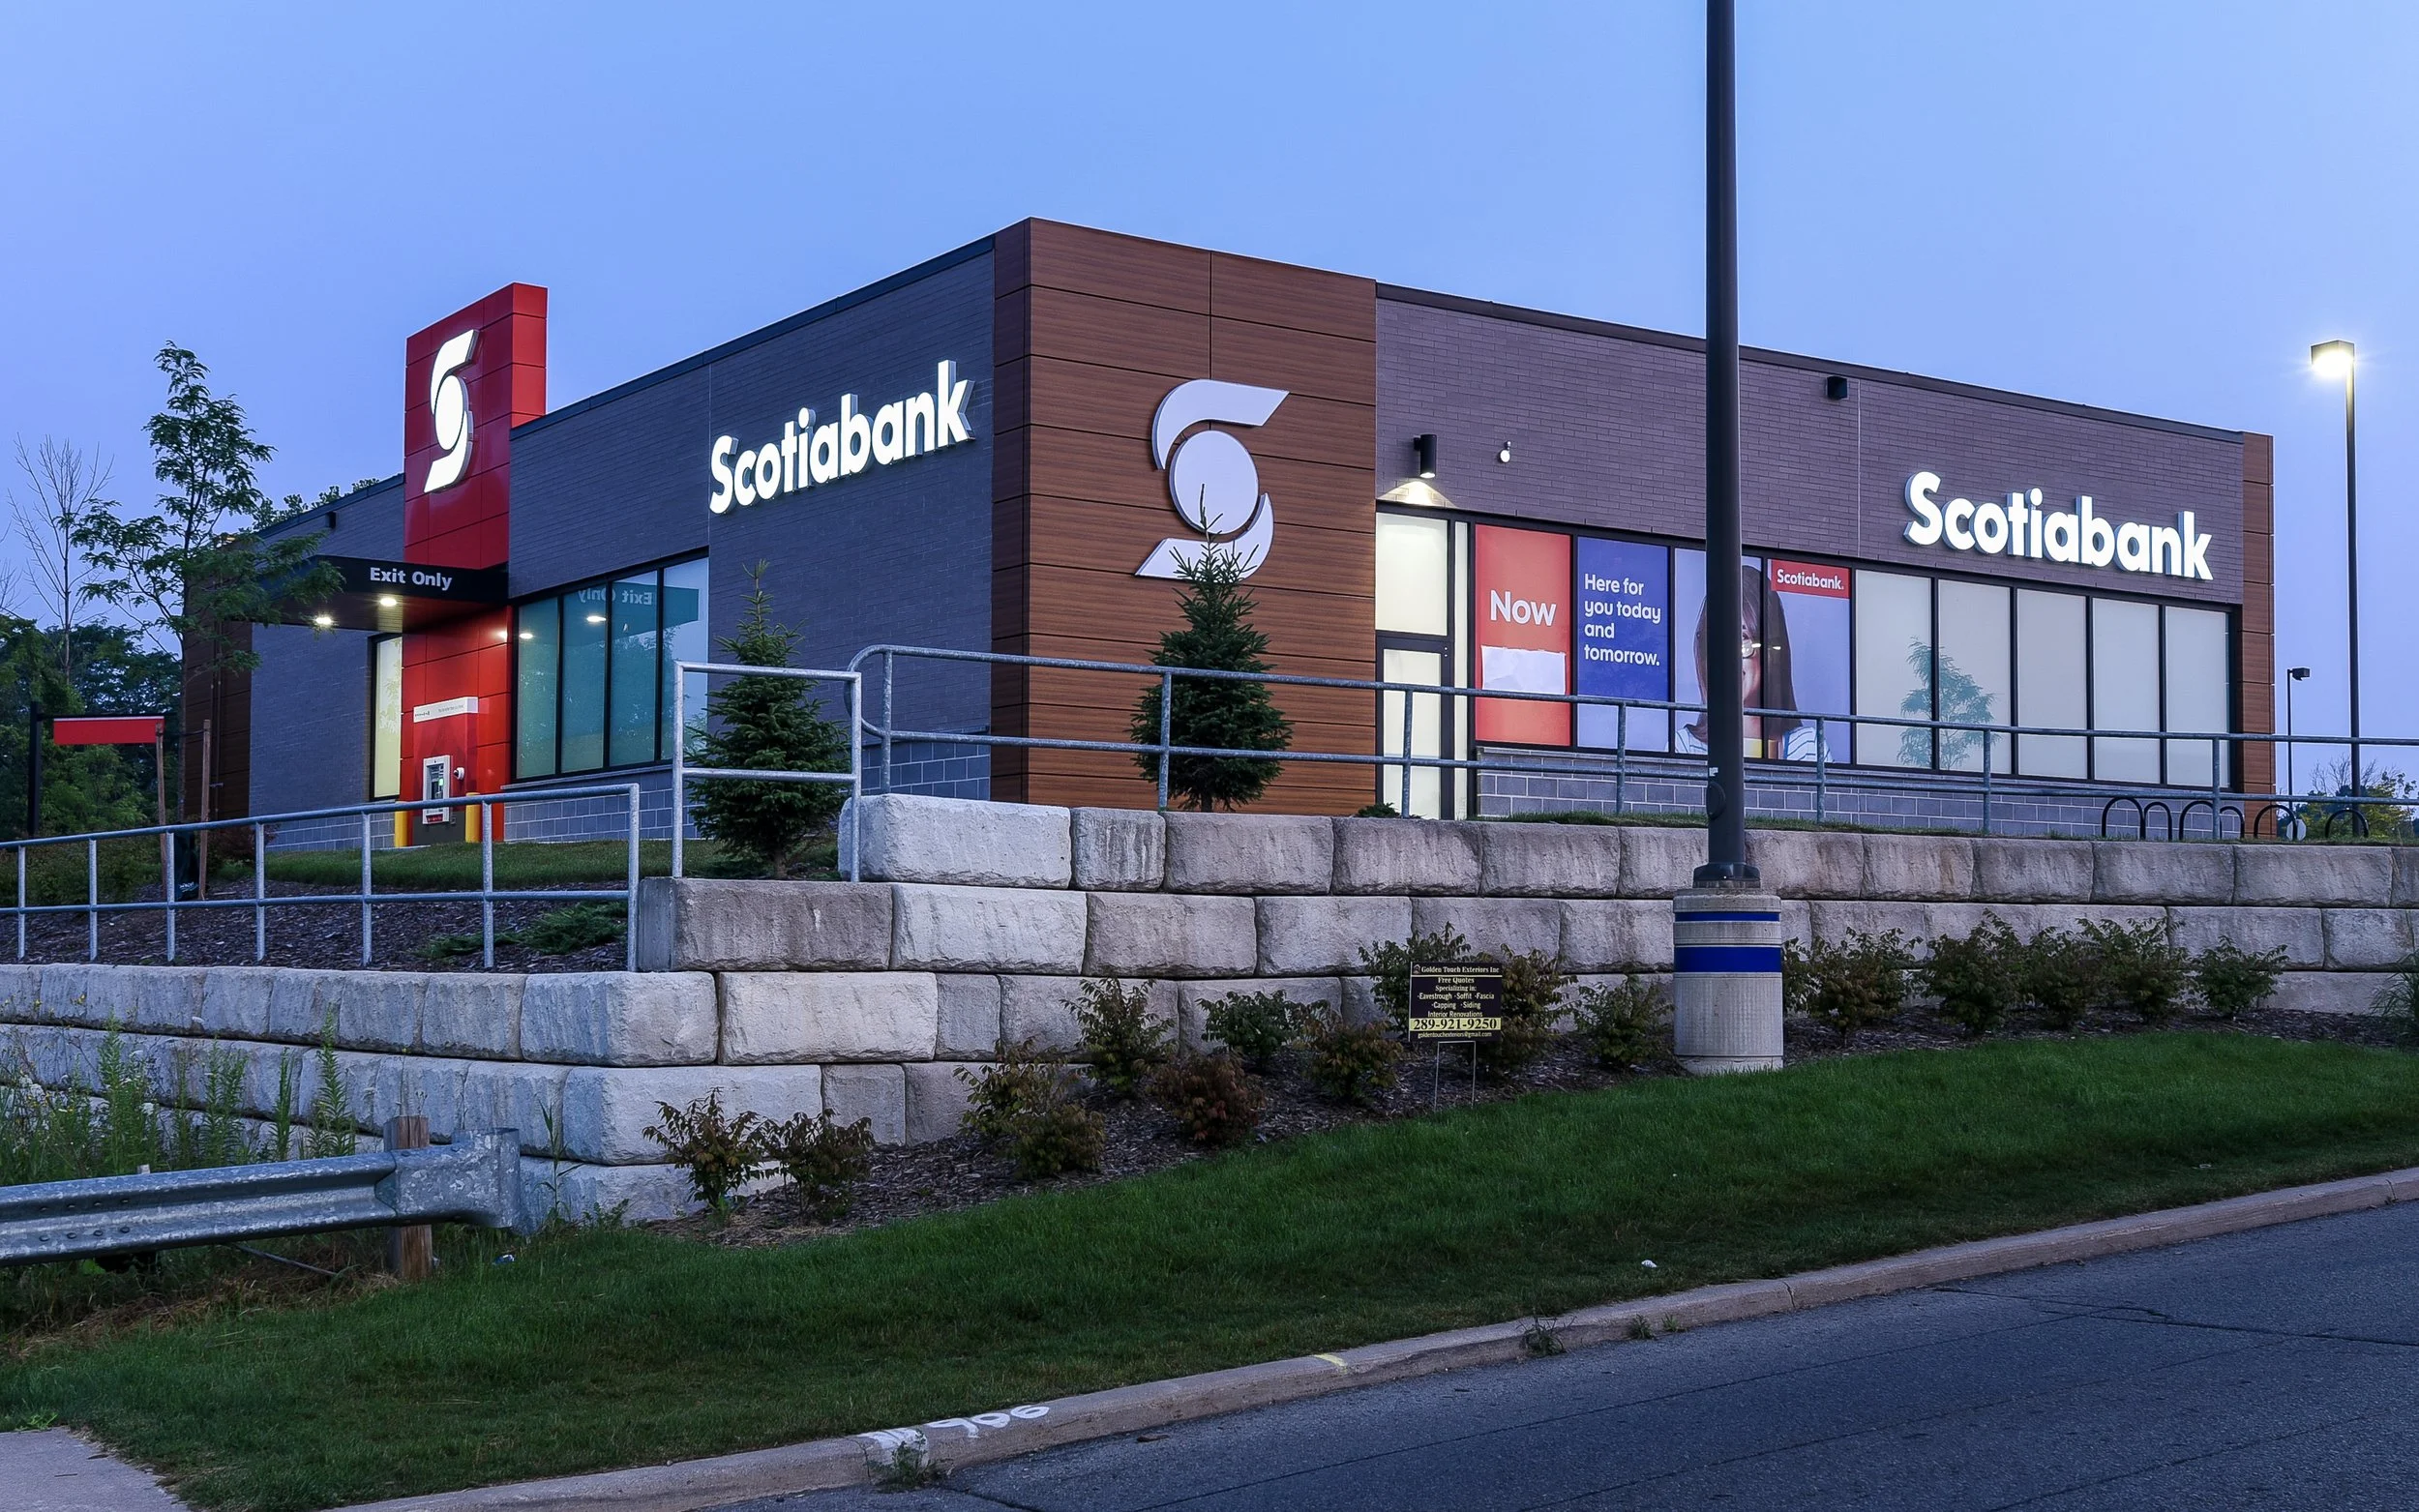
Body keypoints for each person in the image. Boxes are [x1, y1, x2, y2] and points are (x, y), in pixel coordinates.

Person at [1677, 563, 1833, 763]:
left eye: (1743, 638)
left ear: (1770, 653)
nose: (1728, 659)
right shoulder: (1685, 746)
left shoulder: (1808, 747)